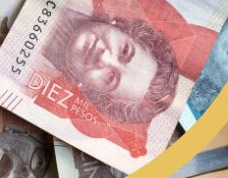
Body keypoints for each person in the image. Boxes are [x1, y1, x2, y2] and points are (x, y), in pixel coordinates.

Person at [41, 9, 213, 125]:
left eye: (110, 78)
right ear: (123, 28)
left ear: (87, 88)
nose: (105, 57)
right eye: (125, 50)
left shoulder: (34, 71)